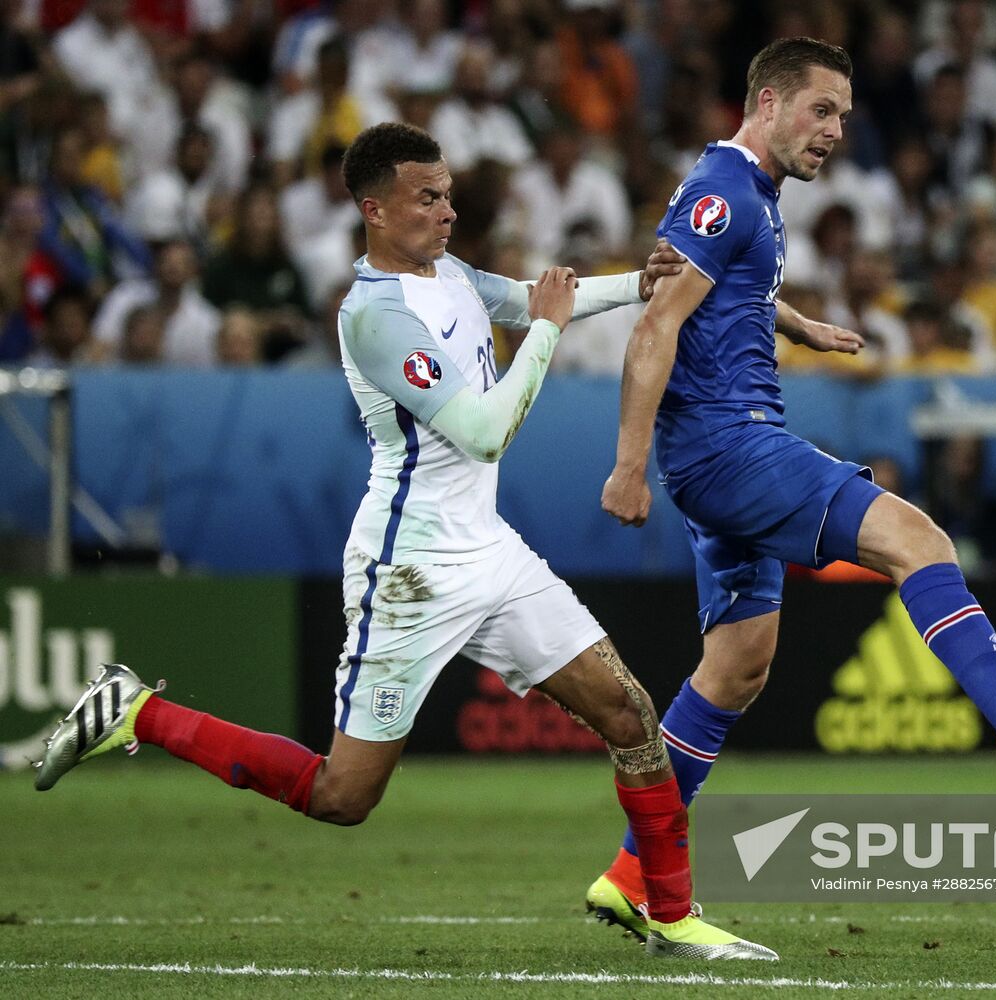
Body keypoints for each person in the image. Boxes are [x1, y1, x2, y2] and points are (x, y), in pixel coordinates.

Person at [32, 122, 774, 963]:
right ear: (374, 210)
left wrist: (637, 283)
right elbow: (484, 432)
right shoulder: (374, 316)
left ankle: (667, 914)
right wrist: (546, 330)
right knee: (342, 796)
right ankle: (136, 711)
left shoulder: (449, 273)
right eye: (427, 198)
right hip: (410, 570)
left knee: (627, 712)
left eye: (448, 195)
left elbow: (527, 295)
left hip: (491, 552)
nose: (447, 211)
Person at [588, 36, 996, 940]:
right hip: (730, 447)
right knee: (918, 541)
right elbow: (656, 323)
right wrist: (626, 463)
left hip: (718, 454)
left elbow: (720, 286)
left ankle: (631, 873)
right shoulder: (726, 190)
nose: (835, 131)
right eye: (821, 110)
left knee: (735, 668)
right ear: (768, 103)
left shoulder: (745, 192)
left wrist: (797, 324)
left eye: (842, 116)